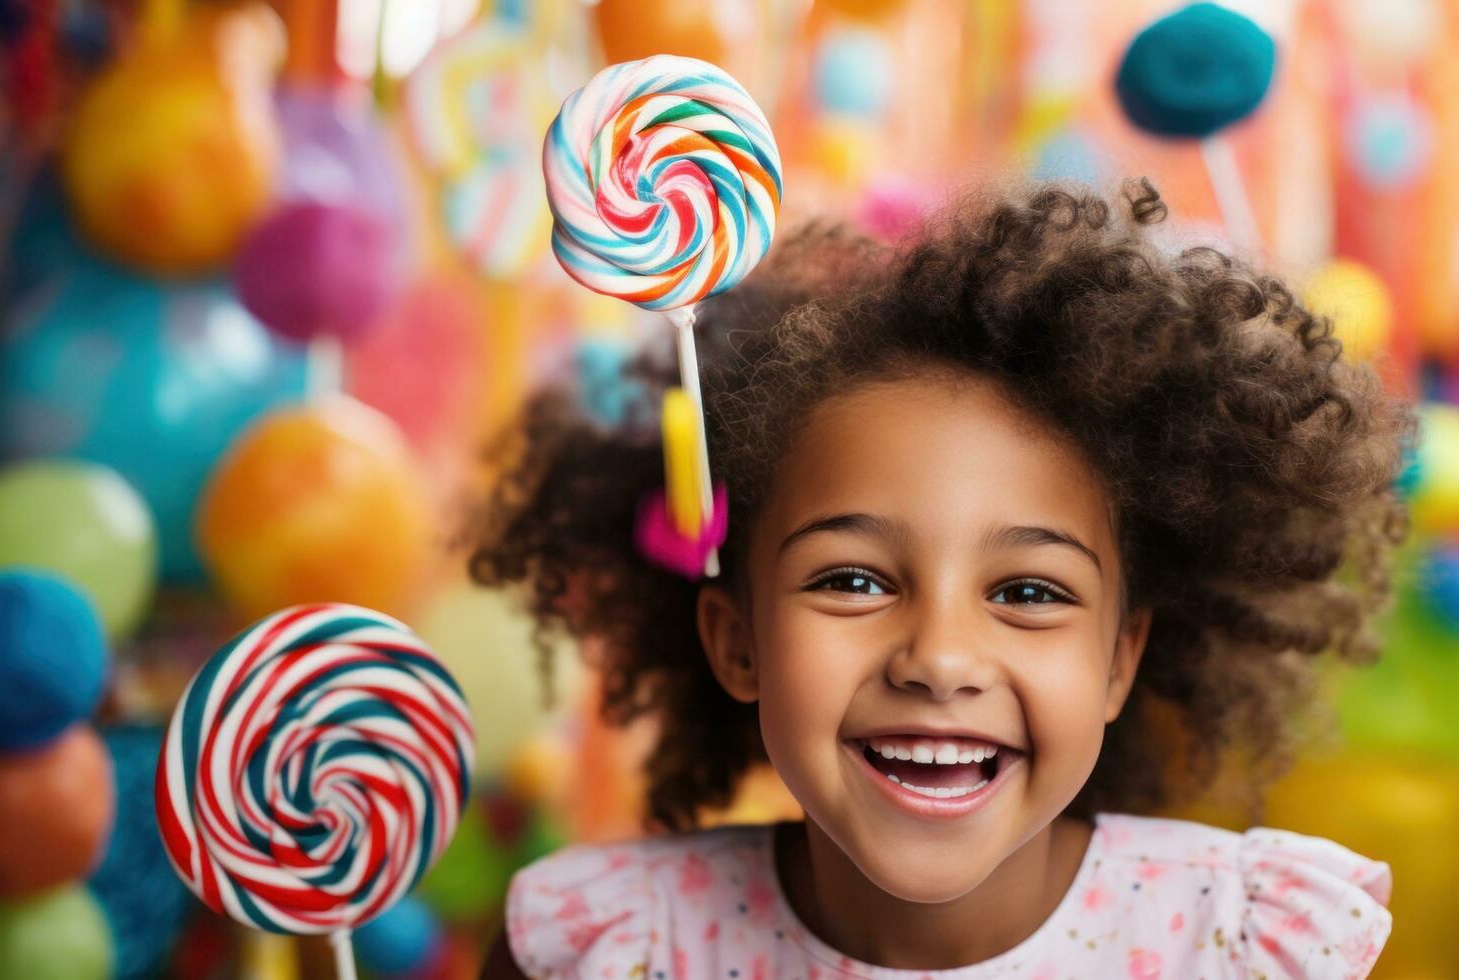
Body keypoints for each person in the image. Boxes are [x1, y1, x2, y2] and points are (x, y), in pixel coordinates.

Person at [473, 182, 1410, 978]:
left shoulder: (1235, 948)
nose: (940, 657)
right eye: (851, 580)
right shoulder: (613, 948)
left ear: (1120, 659)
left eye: (1030, 593)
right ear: (737, 640)